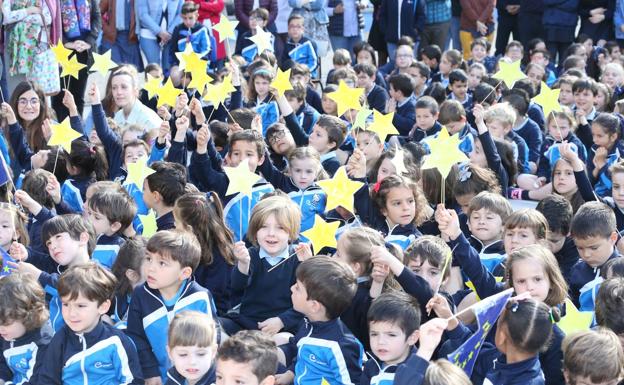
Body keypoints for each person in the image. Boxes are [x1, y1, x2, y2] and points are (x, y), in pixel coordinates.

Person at [127, 229, 220, 383]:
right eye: (149, 259)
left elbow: (212, 339)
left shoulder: (200, 296)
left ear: (184, 273)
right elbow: (136, 337)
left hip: (195, 375)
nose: (151, 268)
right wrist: (150, 372)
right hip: (157, 376)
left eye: (162, 263)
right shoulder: (140, 295)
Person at [38, 262, 144, 384]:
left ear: (103, 307)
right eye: (66, 304)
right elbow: (47, 380)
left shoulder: (116, 341)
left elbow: (134, 380)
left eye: (81, 305)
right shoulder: (60, 340)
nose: (71, 313)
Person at [222, 195, 305, 335]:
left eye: (280, 228)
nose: (271, 234)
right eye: (264, 227)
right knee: (212, 327)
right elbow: (236, 288)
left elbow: (307, 303)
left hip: (282, 326)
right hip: (247, 322)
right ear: (255, 232)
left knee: (285, 339)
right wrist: (243, 263)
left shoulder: (298, 258)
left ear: (291, 233)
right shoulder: (250, 255)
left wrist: (281, 321)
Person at [277, 255, 363, 385]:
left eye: (298, 288)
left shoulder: (341, 346)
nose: (292, 288)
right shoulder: (308, 323)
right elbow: (301, 356)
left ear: (314, 306)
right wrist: (289, 375)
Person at [173, 192, 235, 316]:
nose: (174, 225)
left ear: (189, 229)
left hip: (211, 314)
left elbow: (212, 295)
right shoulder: (191, 246)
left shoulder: (219, 254)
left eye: (176, 221)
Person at [0, 273, 52, 385]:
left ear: (28, 315)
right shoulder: (6, 333)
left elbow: (38, 381)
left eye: (5, 323)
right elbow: (2, 362)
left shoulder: (43, 343)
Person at [569, 201, 621, 309]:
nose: (586, 255)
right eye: (580, 248)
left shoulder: (621, 270)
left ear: (613, 238)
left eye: (594, 248)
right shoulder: (577, 271)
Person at [86, 188, 136, 269]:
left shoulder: (119, 249)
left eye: (96, 217)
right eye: (89, 213)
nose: (89, 219)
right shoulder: (87, 235)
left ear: (114, 226)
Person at [166, 311, 218, 385]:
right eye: (183, 354)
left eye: (201, 354)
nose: (192, 362)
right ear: (170, 353)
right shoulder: (173, 378)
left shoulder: (221, 382)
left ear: (213, 352)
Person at [136, 0, 184, 73]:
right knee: (153, 69)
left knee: (168, 69)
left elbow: (181, 13)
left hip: (170, 36)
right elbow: (142, 14)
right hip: (148, 34)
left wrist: (170, 32)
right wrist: (159, 32)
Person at [100, 0, 144, 71]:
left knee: (131, 70)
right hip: (112, 38)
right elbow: (98, 13)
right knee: (115, 69)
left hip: (130, 38)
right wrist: (106, 28)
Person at [144, 161, 187, 231]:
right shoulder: (181, 219)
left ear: (155, 196)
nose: (143, 192)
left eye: (144, 189)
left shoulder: (166, 231)